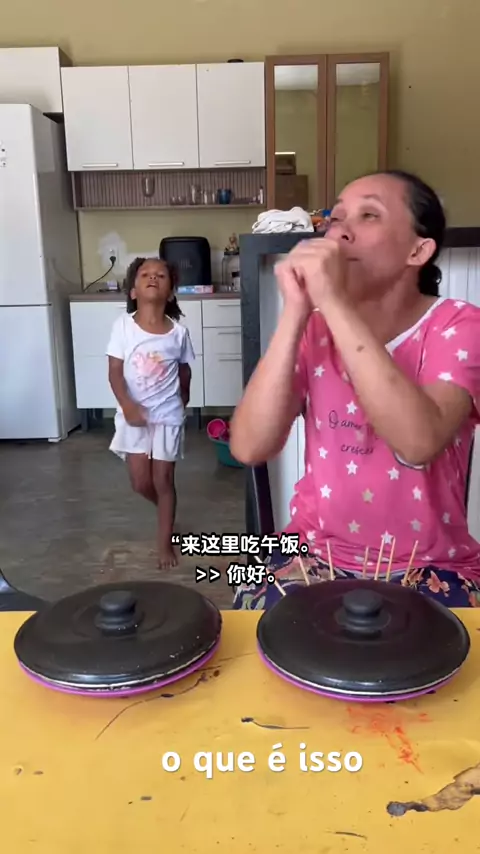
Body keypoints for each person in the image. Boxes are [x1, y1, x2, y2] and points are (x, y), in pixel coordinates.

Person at [230, 170, 480, 609]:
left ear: (418, 251)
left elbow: (418, 442)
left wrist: (333, 301)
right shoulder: (314, 329)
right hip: (311, 555)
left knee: (433, 647)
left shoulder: (459, 325)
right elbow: (249, 447)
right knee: (258, 632)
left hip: (433, 566)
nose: (341, 230)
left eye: (369, 215)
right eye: (337, 218)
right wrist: (296, 312)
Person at [107, 257, 194, 568]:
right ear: (133, 291)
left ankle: (164, 541)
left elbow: (184, 370)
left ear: (170, 292)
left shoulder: (178, 333)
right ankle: (166, 516)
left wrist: (183, 400)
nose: (153, 278)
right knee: (141, 482)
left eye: (160, 275)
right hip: (133, 416)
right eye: (145, 274)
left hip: (168, 416)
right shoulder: (123, 326)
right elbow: (114, 372)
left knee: (163, 480)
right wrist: (128, 406)